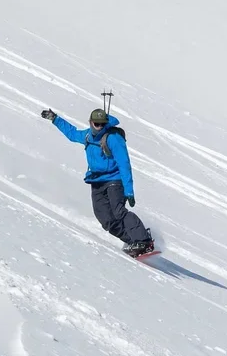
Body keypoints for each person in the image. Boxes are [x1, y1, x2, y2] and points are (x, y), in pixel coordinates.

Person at [41, 106, 156, 257]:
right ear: (90, 122)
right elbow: (72, 133)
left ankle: (144, 240)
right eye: (97, 124)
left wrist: (129, 190)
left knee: (119, 211)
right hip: (96, 181)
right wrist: (55, 119)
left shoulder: (113, 138)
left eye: (102, 124)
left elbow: (124, 164)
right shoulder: (88, 136)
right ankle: (133, 242)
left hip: (114, 179)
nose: (99, 127)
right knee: (105, 219)